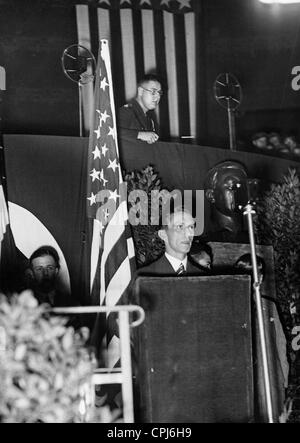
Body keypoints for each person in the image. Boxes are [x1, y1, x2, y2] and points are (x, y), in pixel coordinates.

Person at [234, 253, 289, 422]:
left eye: (257, 275)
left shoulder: (268, 306)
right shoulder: (231, 305)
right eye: (247, 275)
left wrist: (283, 379)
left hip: (269, 380)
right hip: (242, 383)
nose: (253, 280)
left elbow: (280, 343)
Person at [138, 207, 204, 276]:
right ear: (163, 235)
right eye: (180, 226)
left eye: (191, 227)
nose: (188, 234)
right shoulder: (145, 277)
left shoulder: (203, 277)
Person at [204, 160, 251, 242]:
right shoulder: (207, 242)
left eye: (243, 187)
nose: (238, 191)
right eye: (231, 186)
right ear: (211, 195)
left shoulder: (256, 240)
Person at [118, 73, 162, 144]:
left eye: (159, 93)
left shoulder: (150, 118)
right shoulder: (126, 111)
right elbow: (111, 133)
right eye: (153, 92)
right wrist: (139, 135)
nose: (157, 97)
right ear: (140, 91)